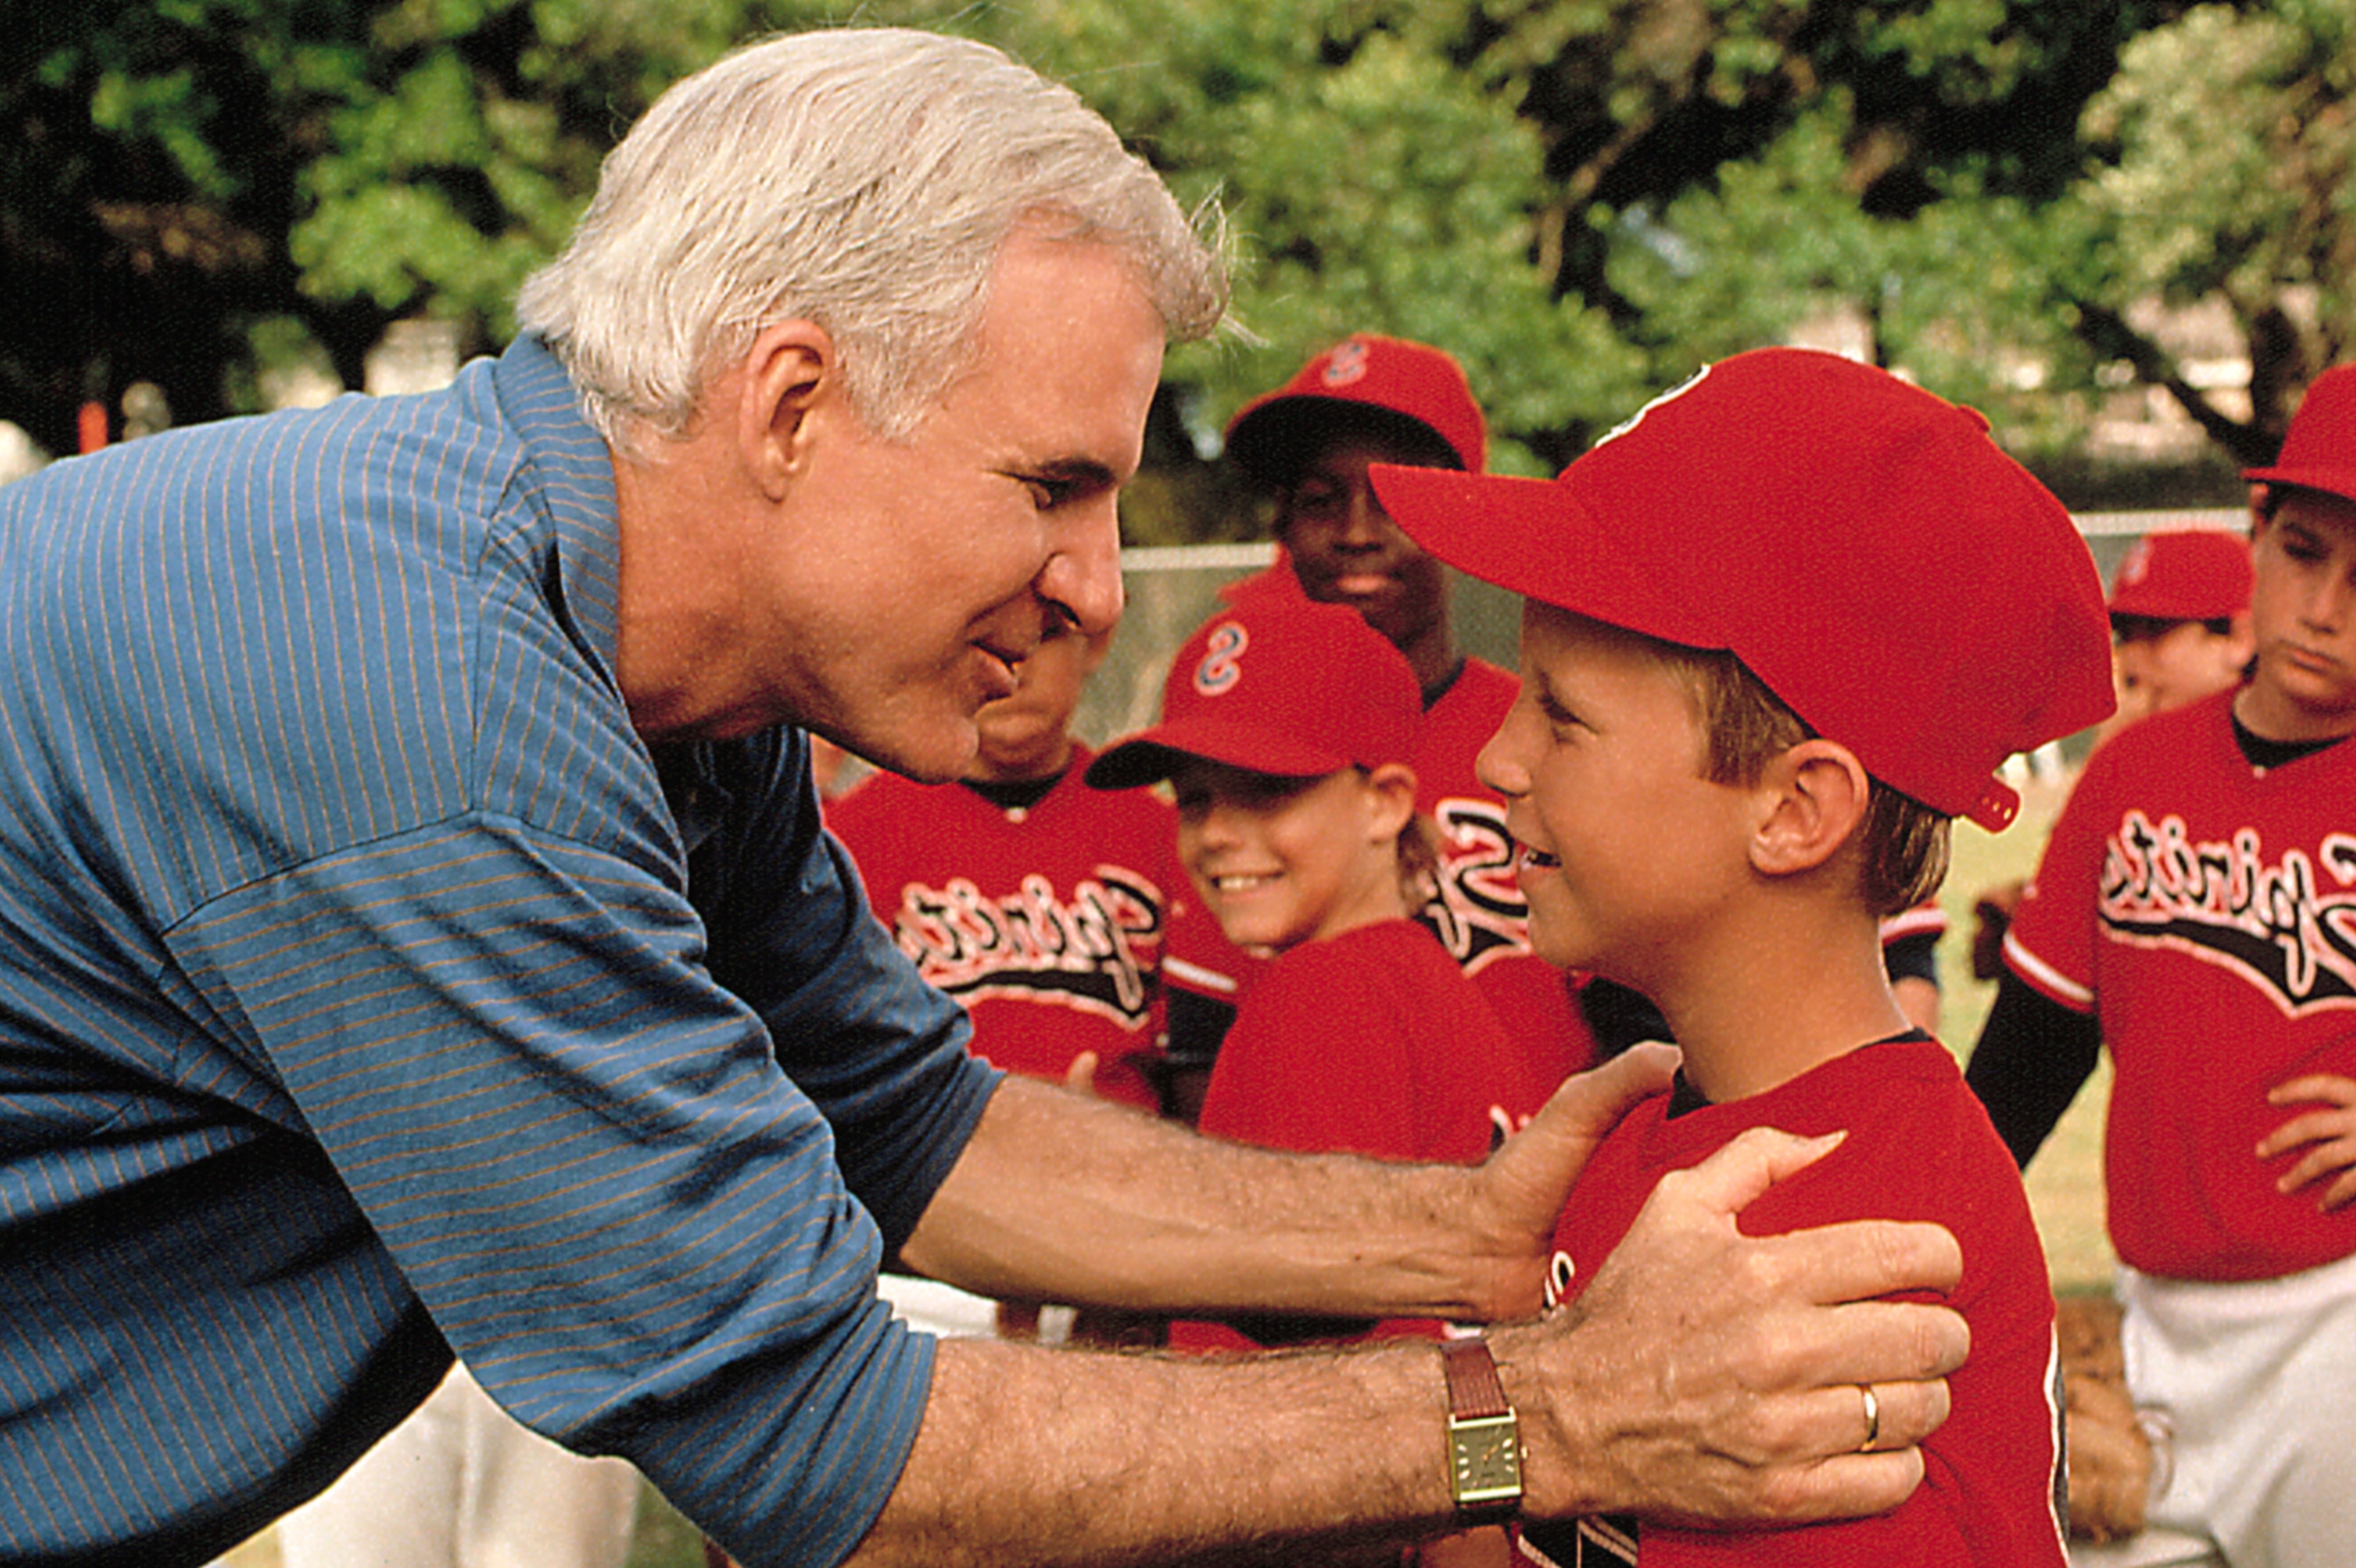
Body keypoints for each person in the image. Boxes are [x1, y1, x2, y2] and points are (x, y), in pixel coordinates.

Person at [0, 29, 1971, 1568]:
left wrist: (1443, 1235)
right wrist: (1542, 1403)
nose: (1105, 585)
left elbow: (905, 1120)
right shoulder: (426, 700)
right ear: (787, 405)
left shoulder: (644, 663)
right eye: (1055, 484)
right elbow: (819, 1448)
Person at [1374, 346, 2114, 1565]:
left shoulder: (1858, 1240)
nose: (1497, 759)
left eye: (1560, 713)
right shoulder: (1660, 1121)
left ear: (1789, 810)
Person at [1966, 362, 2356, 1567]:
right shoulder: (2133, 775)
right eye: (2303, 549)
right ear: (2255, 536)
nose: (2328, 605)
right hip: (2148, 1334)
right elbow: (2029, 1059)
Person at [1217, 335, 1601, 1080]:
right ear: (1283, 530)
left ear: (1464, 518)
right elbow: (1203, 1049)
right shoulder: (1234, 761)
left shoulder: (1552, 736)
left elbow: (1635, 1019)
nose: (1357, 533)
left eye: (1394, 499)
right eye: (1320, 501)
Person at [827, 622, 1240, 1117]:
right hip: (926, 1170)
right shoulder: (851, 835)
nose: (1015, 671)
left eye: (1041, 637)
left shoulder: (1164, 831)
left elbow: (1203, 1067)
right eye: (983, 639)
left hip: (1123, 1169)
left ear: (1098, 641)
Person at [1967, 526, 2256, 984]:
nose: (2133, 658)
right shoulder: (2146, 762)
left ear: (2239, 638)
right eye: (2126, 634)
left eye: (2157, 632)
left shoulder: (2291, 771)